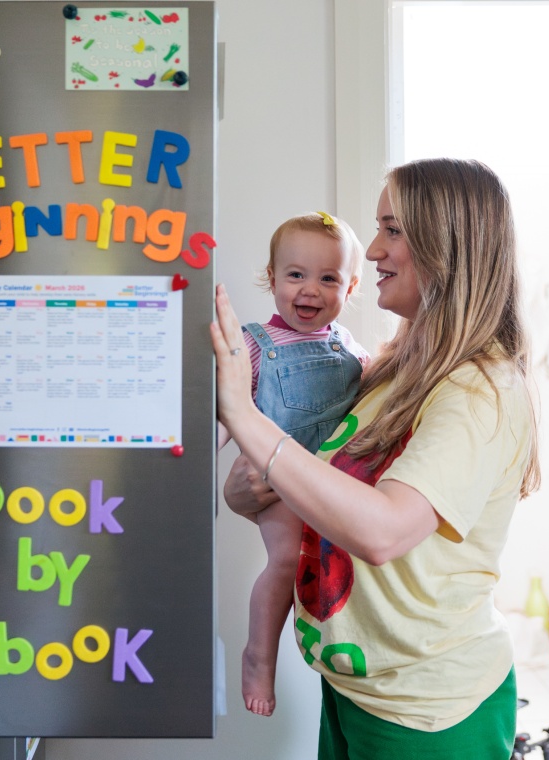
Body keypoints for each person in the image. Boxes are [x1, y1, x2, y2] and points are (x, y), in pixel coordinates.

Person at [212, 157, 540, 758]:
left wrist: (242, 414)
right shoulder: (396, 365)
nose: (375, 250)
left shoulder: (477, 390)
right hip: (359, 687)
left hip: (425, 713)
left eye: (392, 229)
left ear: (445, 243)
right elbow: (323, 487)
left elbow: (383, 530)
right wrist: (244, 494)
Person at [219, 211, 370, 717]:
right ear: (272, 276)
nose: (311, 290)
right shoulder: (256, 343)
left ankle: (337, 656)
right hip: (278, 482)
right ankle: (259, 658)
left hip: (334, 482)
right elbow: (227, 408)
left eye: (329, 278)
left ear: (350, 287)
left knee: (332, 569)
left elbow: (373, 398)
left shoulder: (347, 347)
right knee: (285, 562)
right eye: (296, 275)